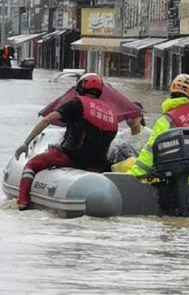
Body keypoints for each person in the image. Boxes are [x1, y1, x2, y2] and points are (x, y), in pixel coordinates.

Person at [14, 73, 118, 211]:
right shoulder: (111, 113)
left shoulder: (76, 103)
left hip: (71, 157)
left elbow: (47, 120)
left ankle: (22, 201)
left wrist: (26, 143)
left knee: (32, 164)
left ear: (81, 87)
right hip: (98, 164)